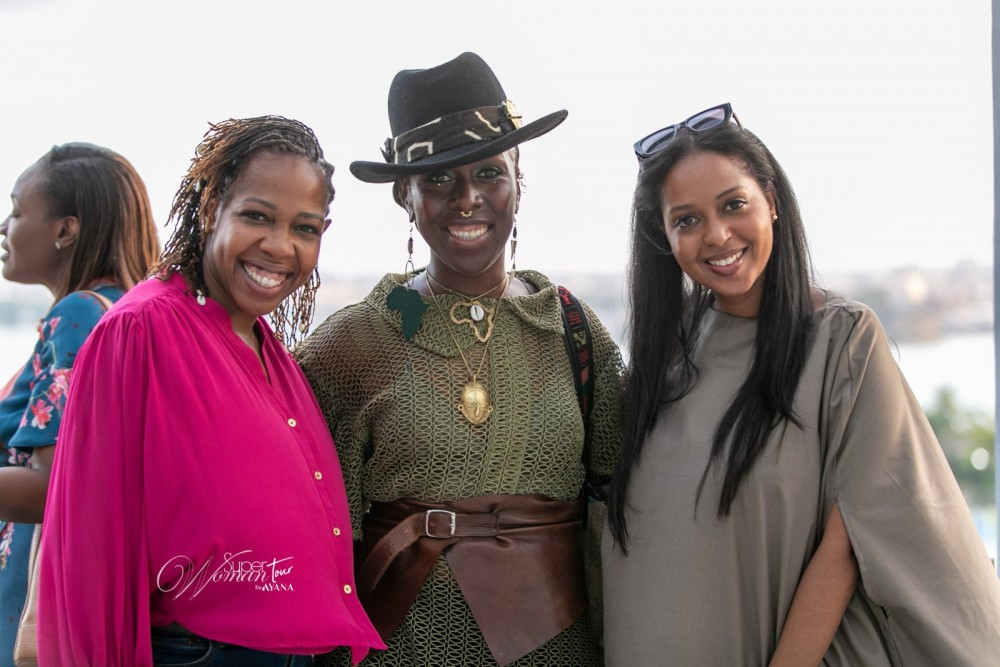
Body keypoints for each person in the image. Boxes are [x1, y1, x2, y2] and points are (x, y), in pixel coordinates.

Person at [603, 103, 1000, 666]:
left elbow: (848, 546)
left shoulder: (840, 341)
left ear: (772, 201)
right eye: (687, 220)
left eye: (733, 205)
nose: (717, 235)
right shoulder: (667, 351)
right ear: (663, 236)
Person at [297, 52, 623, 667]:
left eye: (489, 173)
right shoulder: (353, 343)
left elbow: (623, 508)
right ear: (405, 195)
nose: (467, 198)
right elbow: (310, 533)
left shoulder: (576, 332)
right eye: (439, 178)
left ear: (519, 180)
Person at [38, 116, 384, 666]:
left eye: (304, 228)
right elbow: (91, 546)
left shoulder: (265, 344)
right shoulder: (141, 330)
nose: (280, 246)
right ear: (210, 208)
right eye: (256, 216)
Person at [0, 143, 160, 666]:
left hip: (33, 596)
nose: (5, 226)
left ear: (66, 230)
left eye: (17, 210)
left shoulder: (77, 316)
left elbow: (54, 488)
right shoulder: (129, 311)